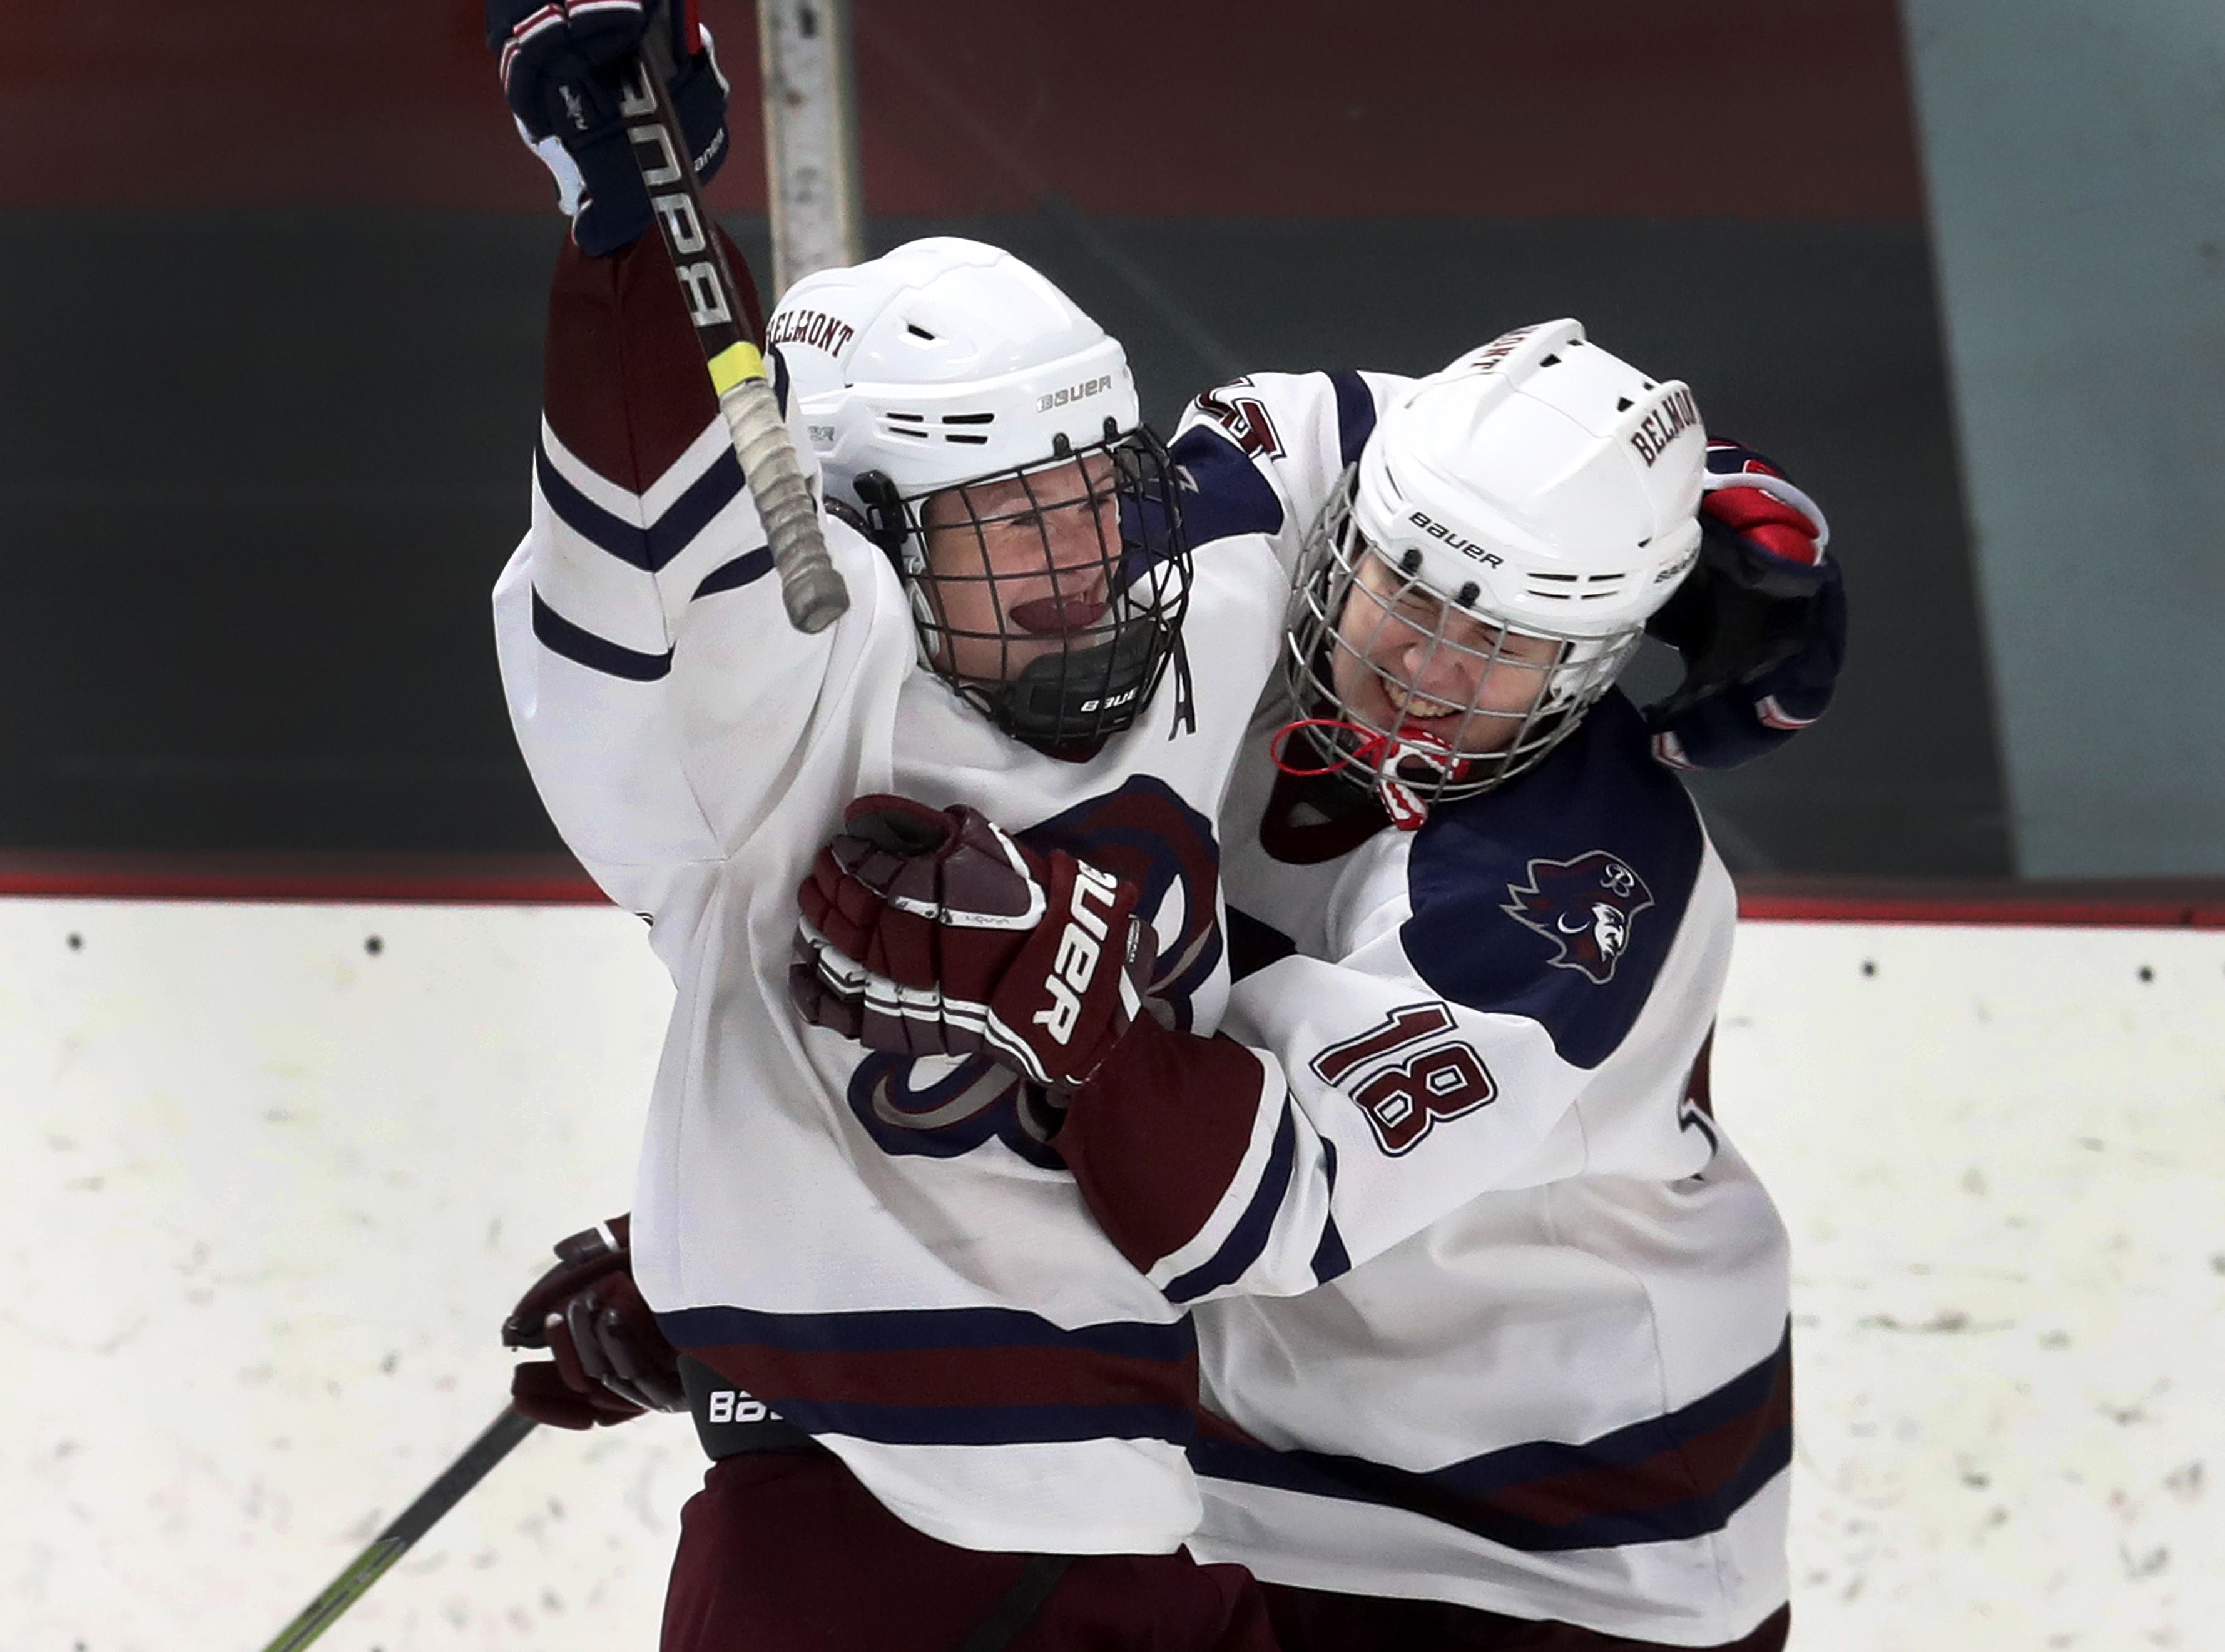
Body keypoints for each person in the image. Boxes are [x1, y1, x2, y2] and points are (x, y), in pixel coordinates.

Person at [793, 320, 1840, 1650]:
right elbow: (1328, 421)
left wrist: (1048, 984)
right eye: (1409, 592)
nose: (1427, 669)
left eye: (1501, 644)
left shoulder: (1566, 895)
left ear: (1589, 663)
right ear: (1350, 529)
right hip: (1227, 1493)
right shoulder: (1297, 512)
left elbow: (1239, 1207)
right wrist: (758, 1265)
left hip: (1566, 1560)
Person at [482, 3, 1285, 1645]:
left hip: (1155, 1528)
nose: (1075, 553)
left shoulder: (1196, 606)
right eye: (1009, 514)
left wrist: (1667, 509)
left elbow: (1376, 470)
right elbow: (655, 535)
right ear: (857, 529)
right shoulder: (768, 714)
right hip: (852, 1551)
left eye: (1087, 490)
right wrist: (630, 228)